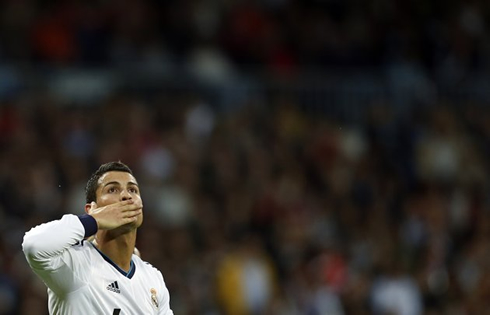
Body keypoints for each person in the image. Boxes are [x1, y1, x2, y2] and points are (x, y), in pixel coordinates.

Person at [22, 161, 173, 314]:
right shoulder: (75, 264)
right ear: (92, 209)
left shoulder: (153, 277)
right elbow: (33, 245)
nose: (127, 196)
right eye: (113, 189)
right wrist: (93, 221)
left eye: (133, 190)